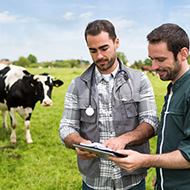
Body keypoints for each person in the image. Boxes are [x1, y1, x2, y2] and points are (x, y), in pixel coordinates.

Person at [59, 19, 159, 190]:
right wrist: (79, 142)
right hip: (94, 183)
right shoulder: (77, 85)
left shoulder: (139, 80)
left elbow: (152, 122)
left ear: (116, 43)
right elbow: (66, 127)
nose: (99, 56)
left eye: (104, 48)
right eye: (93, 50)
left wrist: (124, 139)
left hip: (131, 181)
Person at [109, 23, 190, 190]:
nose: (154, 67)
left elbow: (188, 155)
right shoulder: (174, 87)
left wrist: (145, 160)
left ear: (183, 54)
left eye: (160, 59)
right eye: (152, 59)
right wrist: (162, 174)